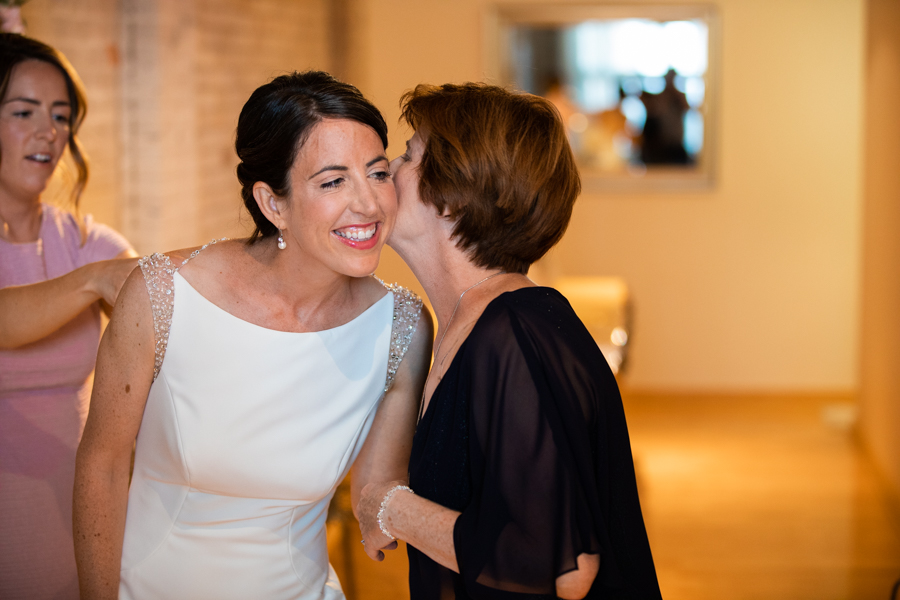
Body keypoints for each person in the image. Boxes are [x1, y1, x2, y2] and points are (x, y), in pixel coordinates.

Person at [73, 71, 431, 599]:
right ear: (273, 204)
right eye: (333, 181)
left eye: (378, 173)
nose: (370, 204)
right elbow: (100, 466)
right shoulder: (163, 294)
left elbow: (378, 496)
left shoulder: (401, 325)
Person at [357, 83, 663, 600]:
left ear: (453, 195)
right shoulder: (477, 322)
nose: (388, 168)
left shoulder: (513, 335)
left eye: (409, 154)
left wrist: (389, 505)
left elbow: (558, 565)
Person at [0, 33, 136, 599]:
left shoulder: (87, 242)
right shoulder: (91, 268)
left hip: (83, 527)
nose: (48, 132)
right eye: (24, 111)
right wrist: (93, 282)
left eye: (60, 116)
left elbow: (166, 307)